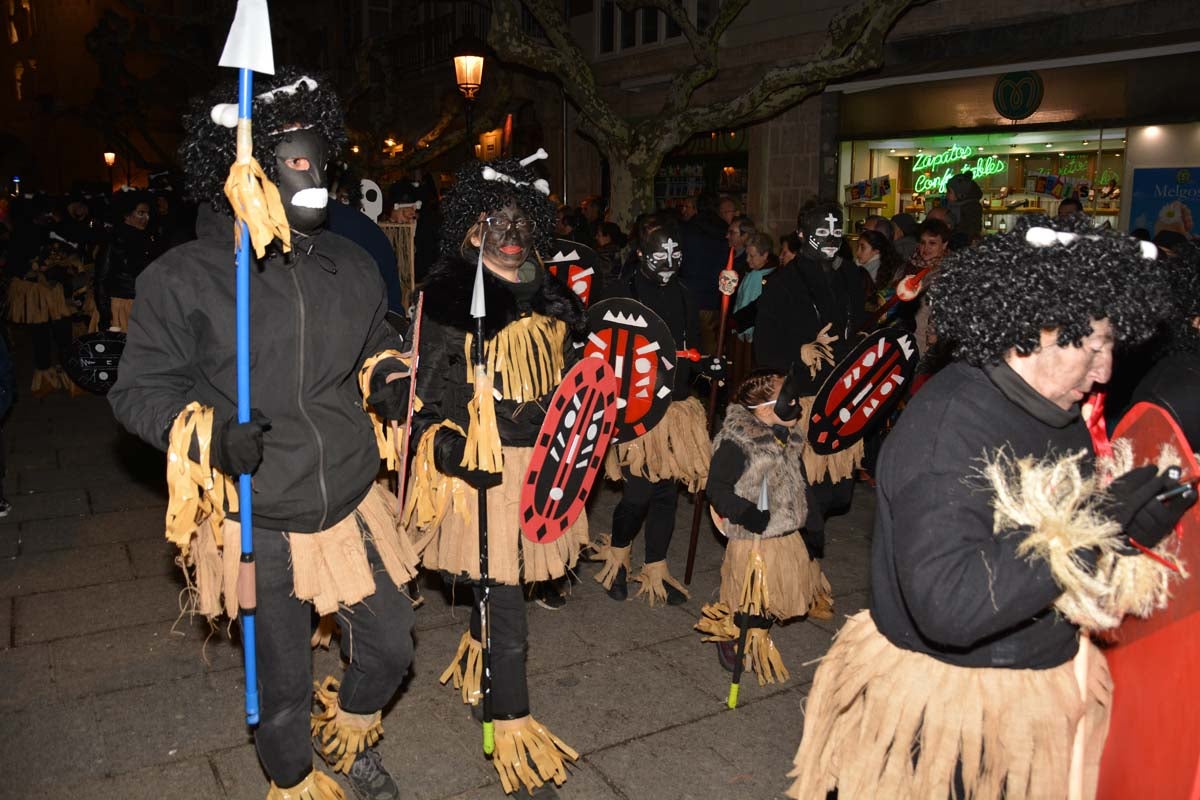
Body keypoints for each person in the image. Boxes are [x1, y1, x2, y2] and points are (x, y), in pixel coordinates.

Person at [788, 215, 1193, 800]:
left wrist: (1125, 534)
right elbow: (950, 604)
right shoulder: (948, 429)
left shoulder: (1061, 414)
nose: (1106, 370)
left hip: (1036, 692)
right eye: (1097, 344)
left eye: (1111, 346)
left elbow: (1053, 561)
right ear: (1038, 327)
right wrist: (1088, 528)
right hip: (953, 716)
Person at [109, 68, 419, 800]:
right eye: (295, 162)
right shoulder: (184, 279)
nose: (314, 176)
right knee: (278, 687)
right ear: (246, 171)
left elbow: (375, 341)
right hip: (259, 514)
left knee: (390, 645)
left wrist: (387, 378)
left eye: (321, 161)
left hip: (345, 496)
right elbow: (137, 392)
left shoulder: (349, 264)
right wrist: (208, 438)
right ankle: (294, 779)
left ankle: (348, 726)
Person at [404, 153, 586, 797]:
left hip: (540, 469)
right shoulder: (449, 297)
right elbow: (419, 398)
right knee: (507, 603)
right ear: (473, 230)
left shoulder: (557, 300)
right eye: (495, 221)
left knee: (499, 594)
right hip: (481, 473)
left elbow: (581, 389)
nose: (510, 232)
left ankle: (482, 659)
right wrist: (445, 445)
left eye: (521, 220)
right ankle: (511, 725)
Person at [591, 219, 725, 607]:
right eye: (659, 254)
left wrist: (707, 365)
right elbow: (601, 347)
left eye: (675, 255)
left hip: (675, 410)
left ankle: (655, 567)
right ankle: (618, 557)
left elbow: (689, 348)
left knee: (666, 493)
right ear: (640, 255)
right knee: (637, 494)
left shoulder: (684, 295)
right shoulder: (621, 293)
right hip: (634, 410)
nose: (668, 262)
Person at [755, 201, 867, 570]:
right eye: (822, 232)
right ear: (802, 235)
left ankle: (803, 550)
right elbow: (763, 348)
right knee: (813, 492)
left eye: (837, 231)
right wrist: (797, 352)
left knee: (840, 491)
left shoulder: (853, 276)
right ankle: (807, 568)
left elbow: (859, 325)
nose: (831, 239)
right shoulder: (782, 282)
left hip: (843, 396)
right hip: (802, 401)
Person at [696, 369, 828, 679]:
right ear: (768, 409)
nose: (796, 405)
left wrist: (813, 519)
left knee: (775, 595)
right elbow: (716, 488)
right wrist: (745, 512)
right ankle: (735, 633)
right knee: (749, 596)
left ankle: (758, 631)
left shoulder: (789, 437)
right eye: (789, 400)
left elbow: (798, 480)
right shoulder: (737, 444)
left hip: (784, 530)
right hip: (753, 533)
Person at [93, 191, 152, 332]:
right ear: (127, 214)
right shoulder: (114, 241)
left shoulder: (146, 240)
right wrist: (106, 316)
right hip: (120, 306)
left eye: (148, 214)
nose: (146, 218)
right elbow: (101, 279)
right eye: (141, 213)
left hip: (143, 303)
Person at [730, 231, 776, 386]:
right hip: (746, 332)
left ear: (765, 255)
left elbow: (749, 305)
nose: (748, 259)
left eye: (752, 256)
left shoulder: (759, 276)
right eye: (747, 255)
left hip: (749, 336)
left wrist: (738, 327)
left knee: (746, 375)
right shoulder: (754, 272)